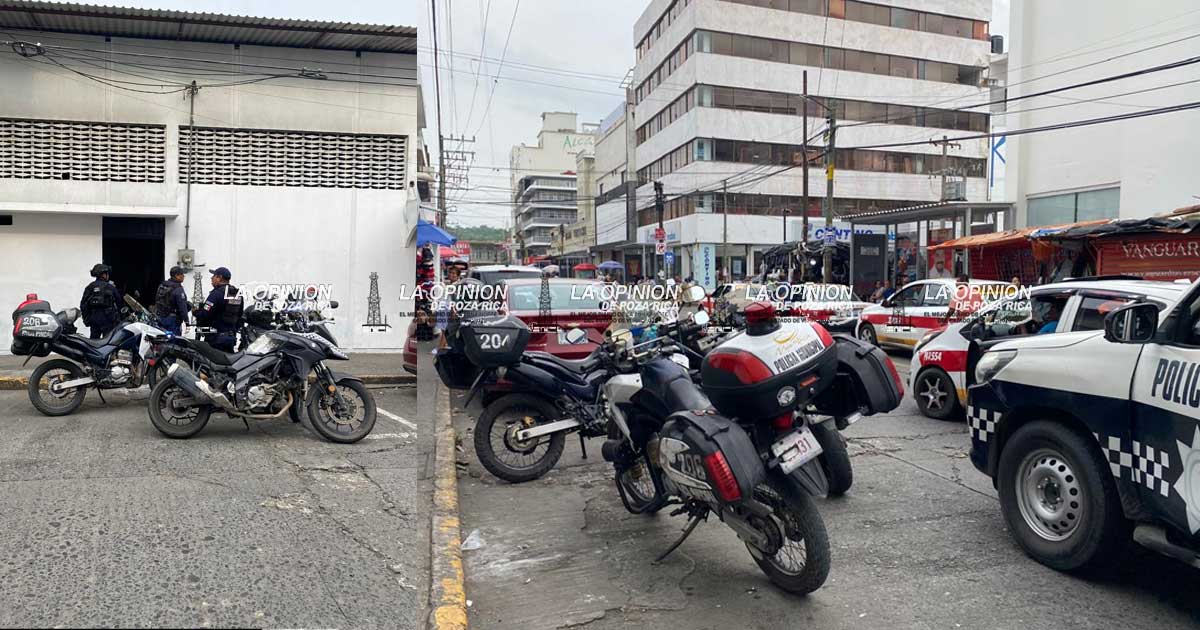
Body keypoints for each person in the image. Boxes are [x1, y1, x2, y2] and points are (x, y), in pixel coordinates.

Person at [194, 267, 244, 352]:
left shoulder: (216, 294)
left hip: (215, 339)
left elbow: (205, 315)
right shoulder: (237, 294)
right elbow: (240, 315)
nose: (211, 278)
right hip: (231, 338)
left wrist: (195, 312)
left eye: (214, 276)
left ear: (219, 277)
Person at [80, 263, 121, 339]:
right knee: (109, 342)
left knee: (93, 343)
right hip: (108, 320)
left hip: (94, 320)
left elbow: (83, 305)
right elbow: (119, 303)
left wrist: (87, 319)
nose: (108, 276)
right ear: (103, 274)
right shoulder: (110, 287)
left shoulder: (89, 287)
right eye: (107, 273)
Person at [153, 266, 191, 335]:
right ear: (176, 275)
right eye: (182, 274)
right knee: (173, 340)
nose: (183, 276)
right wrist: (187, 322)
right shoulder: (178, 289)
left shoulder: (162, 285)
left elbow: (157, 300)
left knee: (162, 338)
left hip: (160, 318)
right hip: (173, 321)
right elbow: (183, 307)